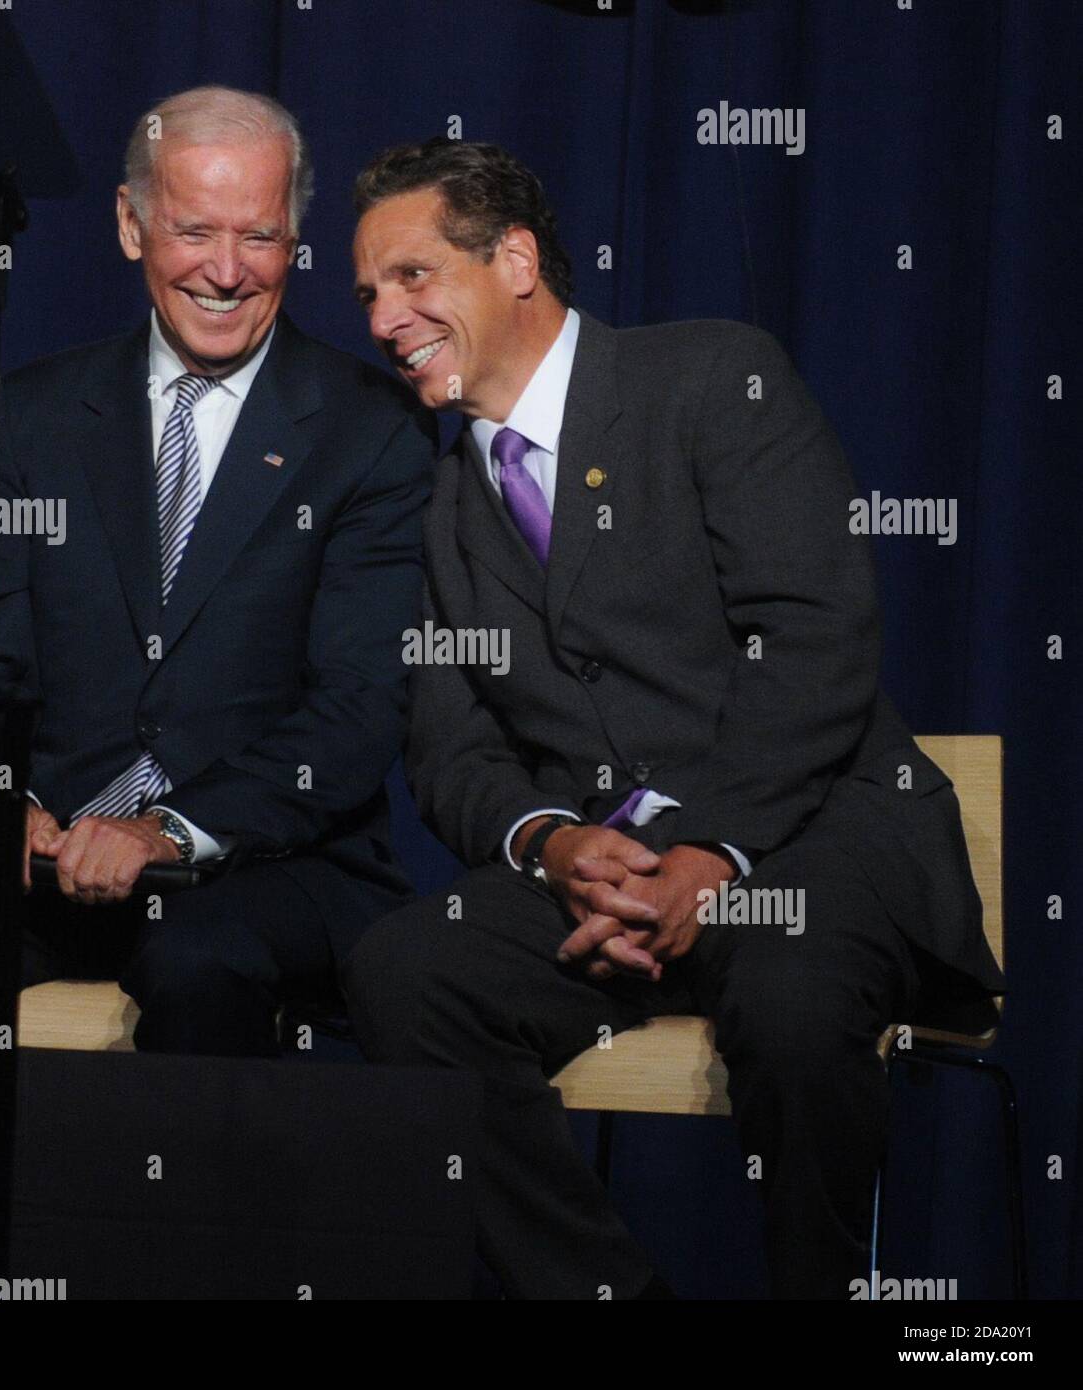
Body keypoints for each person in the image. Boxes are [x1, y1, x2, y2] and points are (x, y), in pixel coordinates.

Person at [343, 137, 1005, 1298]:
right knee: (405, 971)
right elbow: (450, 749)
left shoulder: (710, 378)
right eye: (367, 293)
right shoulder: (444, 503)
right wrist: (555, 843)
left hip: (802, 836)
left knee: (795, 1005)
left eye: (411, 277)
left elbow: (816, 641)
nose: (385, 316)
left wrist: (705, 854)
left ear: (514, 260)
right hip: (606, 877)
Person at [0, 87, 435, 1056]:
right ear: (130, 223)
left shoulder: (374, 432)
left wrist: (168, 830)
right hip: (48, 864)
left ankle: (163, 1213)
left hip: (264, 868)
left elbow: (357, 712)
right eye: (195, 230)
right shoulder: (34, 416)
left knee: (198, 963)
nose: (228, 272)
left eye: (262, 237)